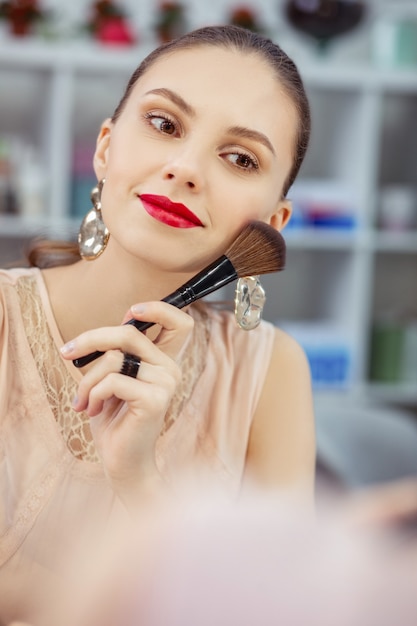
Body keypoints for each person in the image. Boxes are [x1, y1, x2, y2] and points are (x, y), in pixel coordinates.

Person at [0, 24, 315, 625]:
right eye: (165, 124)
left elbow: (282, 611)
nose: (186, 168)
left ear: (272, 222)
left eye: (240, 158)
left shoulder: (270, 372)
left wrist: (141, 481)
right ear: (105, 147)